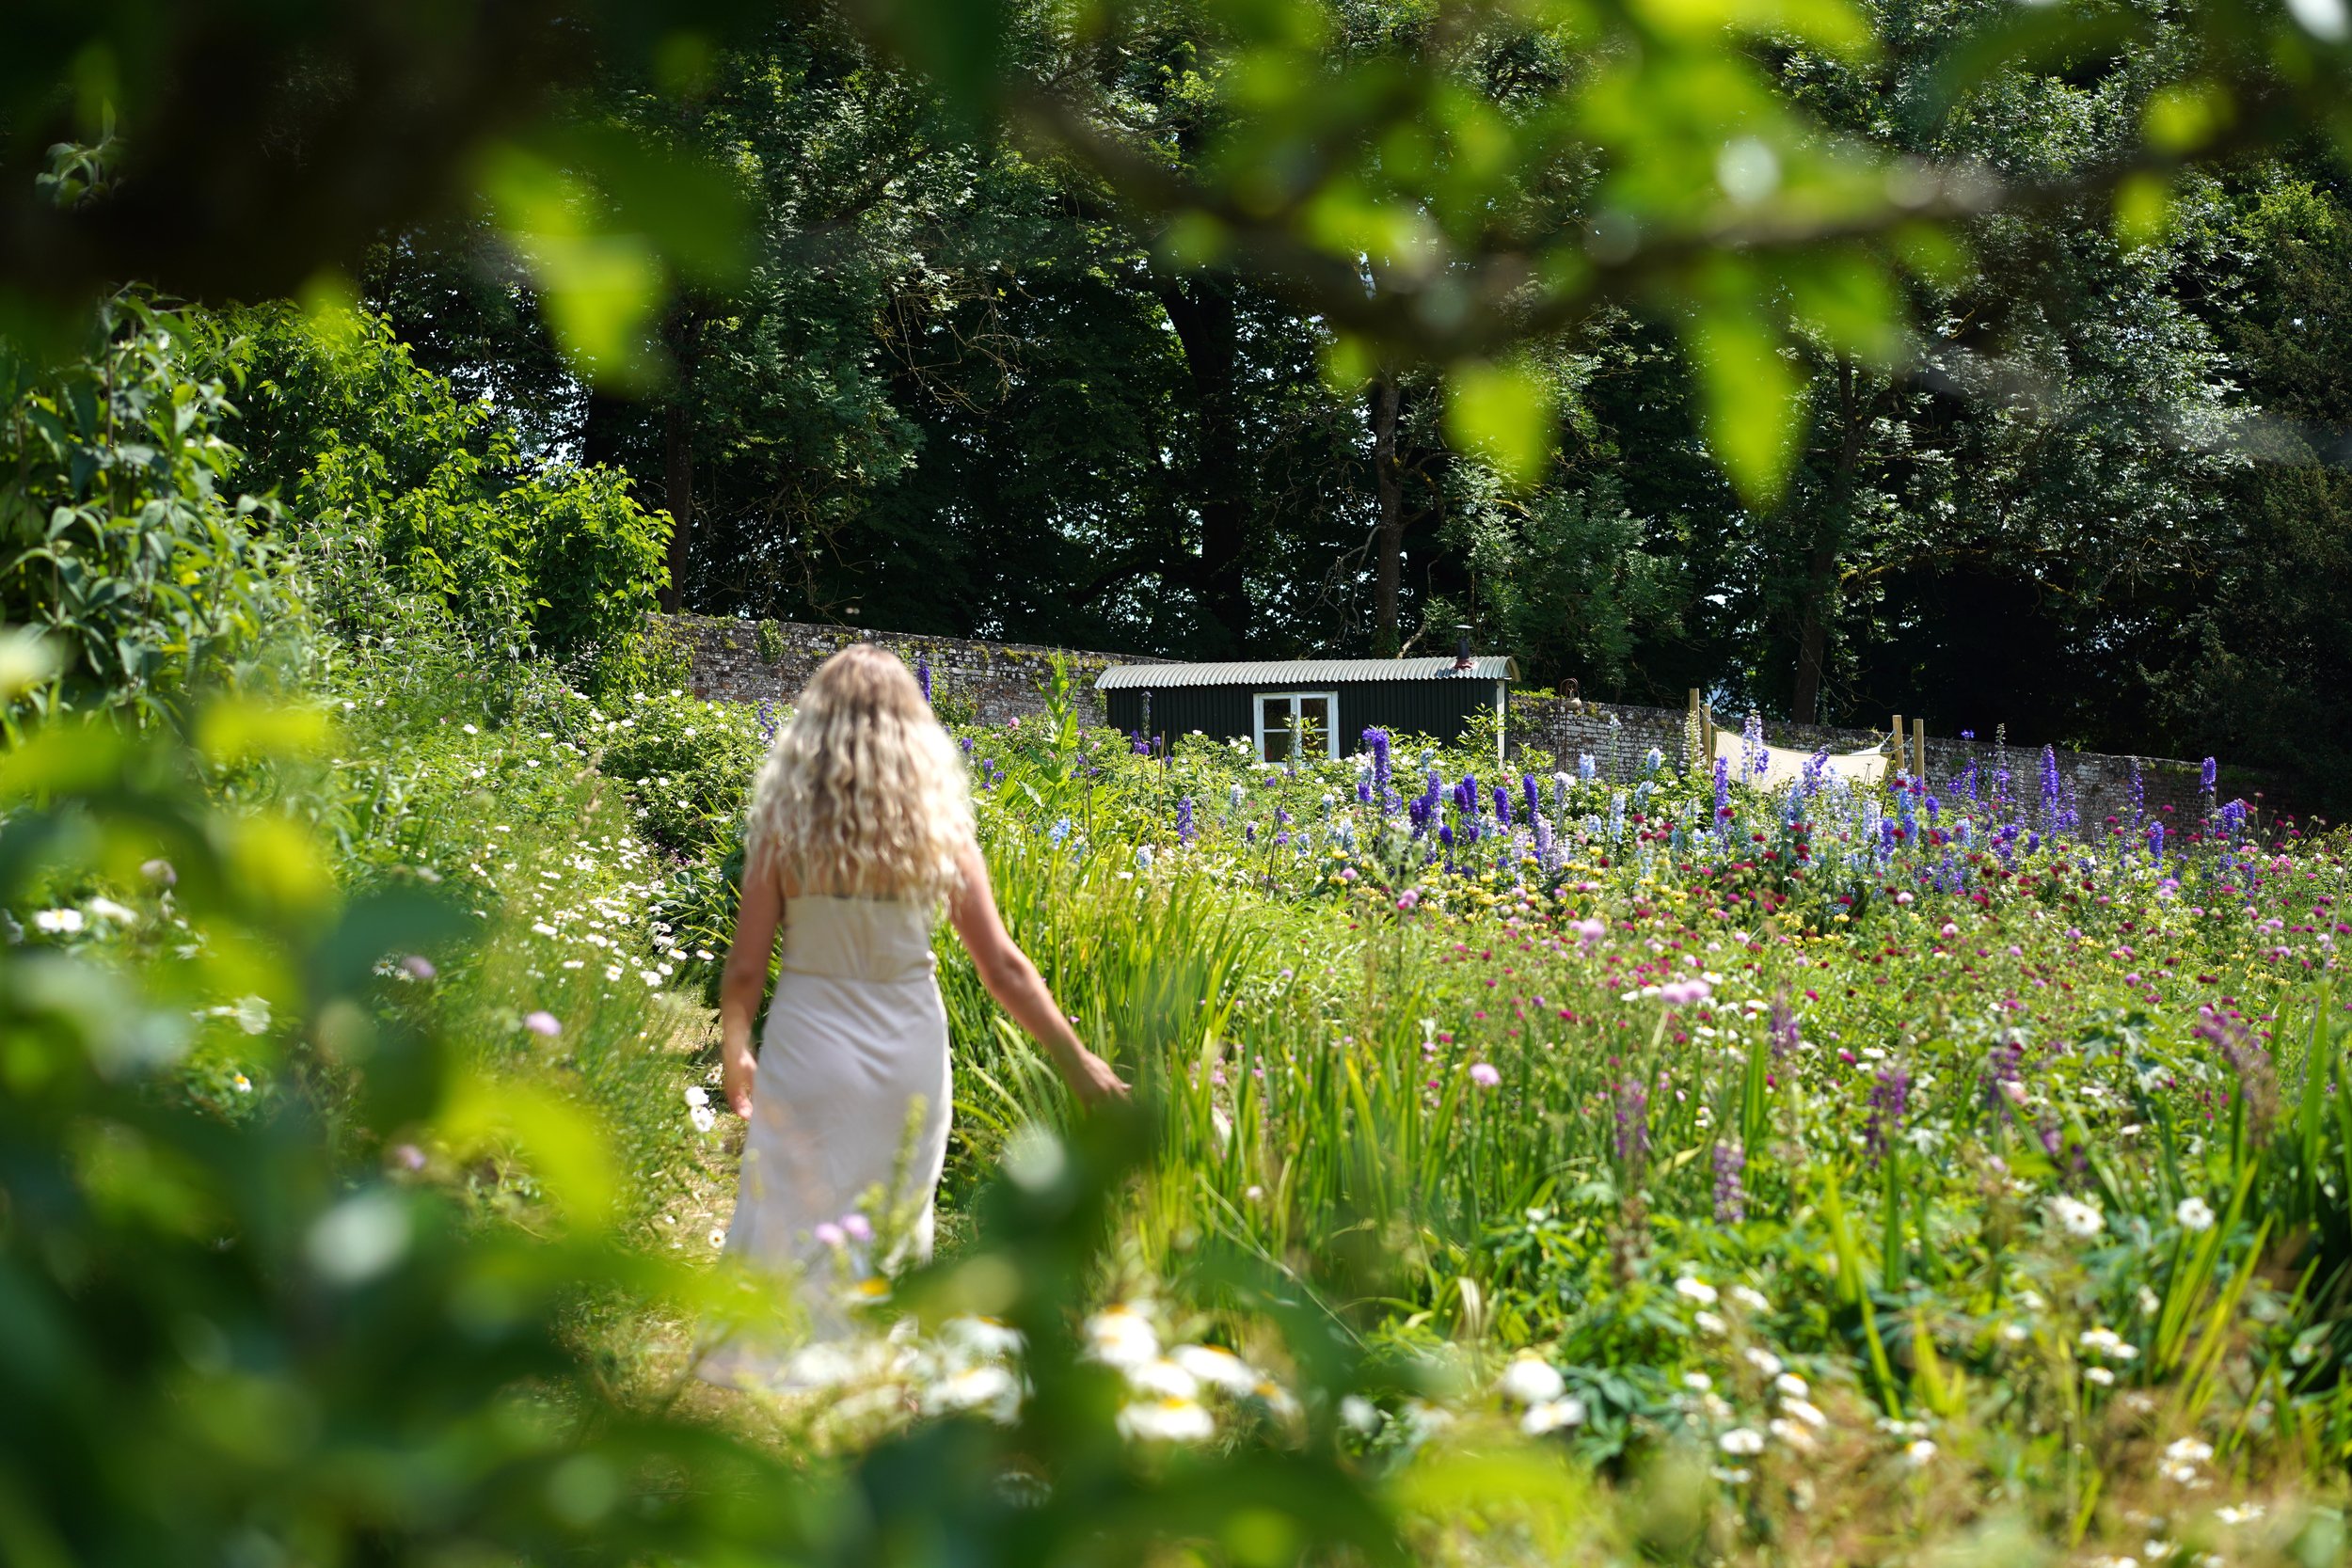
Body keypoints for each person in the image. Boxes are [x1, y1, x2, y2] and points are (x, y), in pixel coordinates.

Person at [701, 644, 1124, 1384]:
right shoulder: (938, 835)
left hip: (808, 1048)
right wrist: (1079, 1062)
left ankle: (770, 1367)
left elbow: (744, 967)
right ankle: (879, 1382)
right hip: (907, 1056)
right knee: (894, 1229)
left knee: (788, 1222)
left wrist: (737, 1044)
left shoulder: (782, 833)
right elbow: (1003, 967)